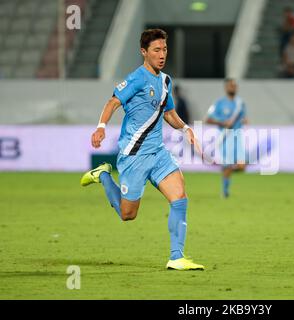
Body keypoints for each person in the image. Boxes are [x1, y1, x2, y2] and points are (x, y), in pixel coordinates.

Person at [80, 29, 204, 271]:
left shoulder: (166, 81)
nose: (162, 55)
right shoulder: (136, 78)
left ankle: (176, 257)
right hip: (134, 156)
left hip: (158, 153)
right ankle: (103, 175)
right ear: (143, 52)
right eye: (156, 50)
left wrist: (186, 128)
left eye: (165, 49)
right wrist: (101, 127)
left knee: (179, 198)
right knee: (128, 215)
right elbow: (113, 101)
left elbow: (168, 113)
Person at [205, 78, 248, 198]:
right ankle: (225, 190)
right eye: (231, 85)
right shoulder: (219, 103)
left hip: (237, 135)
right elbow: (208, 119)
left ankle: (226, 171)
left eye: (235, 85)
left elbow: (244, 118)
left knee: (242, 166)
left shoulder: (240, 103)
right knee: (228, 165)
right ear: (226, 87)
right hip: (225, 136)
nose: (233, 87)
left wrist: (245, 120)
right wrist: (223, 122)